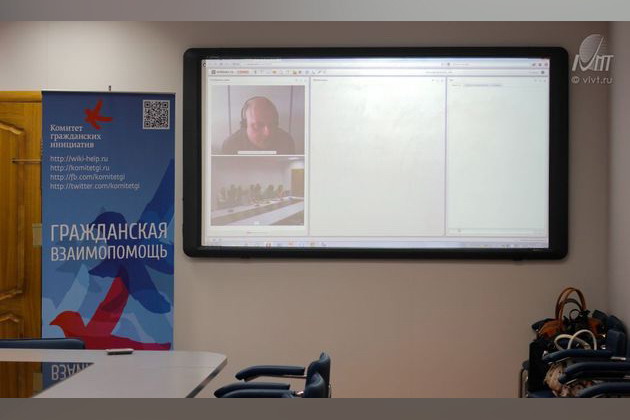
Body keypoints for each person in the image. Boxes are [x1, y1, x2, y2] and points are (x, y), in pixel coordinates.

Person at [221, 96, 296, 154]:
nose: (267, 133)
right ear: (244, 125)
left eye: (272, 124)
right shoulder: (230, 145)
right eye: (258, 126)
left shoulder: (287, 141)